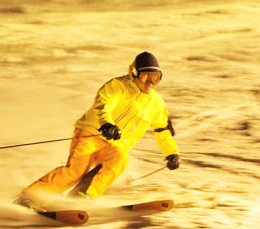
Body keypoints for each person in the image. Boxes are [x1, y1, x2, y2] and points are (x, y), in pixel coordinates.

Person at [16, 52, 180, 208]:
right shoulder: (117, 86)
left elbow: (162, 129)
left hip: (114, 145)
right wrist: (107, 125)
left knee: (120, 160)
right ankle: (31, 197)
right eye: (146, 76)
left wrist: (171, 153)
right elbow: (103, 106)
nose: (150, 82)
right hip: (91, 134)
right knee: (75, 171)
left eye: (156, 78)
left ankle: (82, 196)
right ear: (135, 73)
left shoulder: (156, 103)